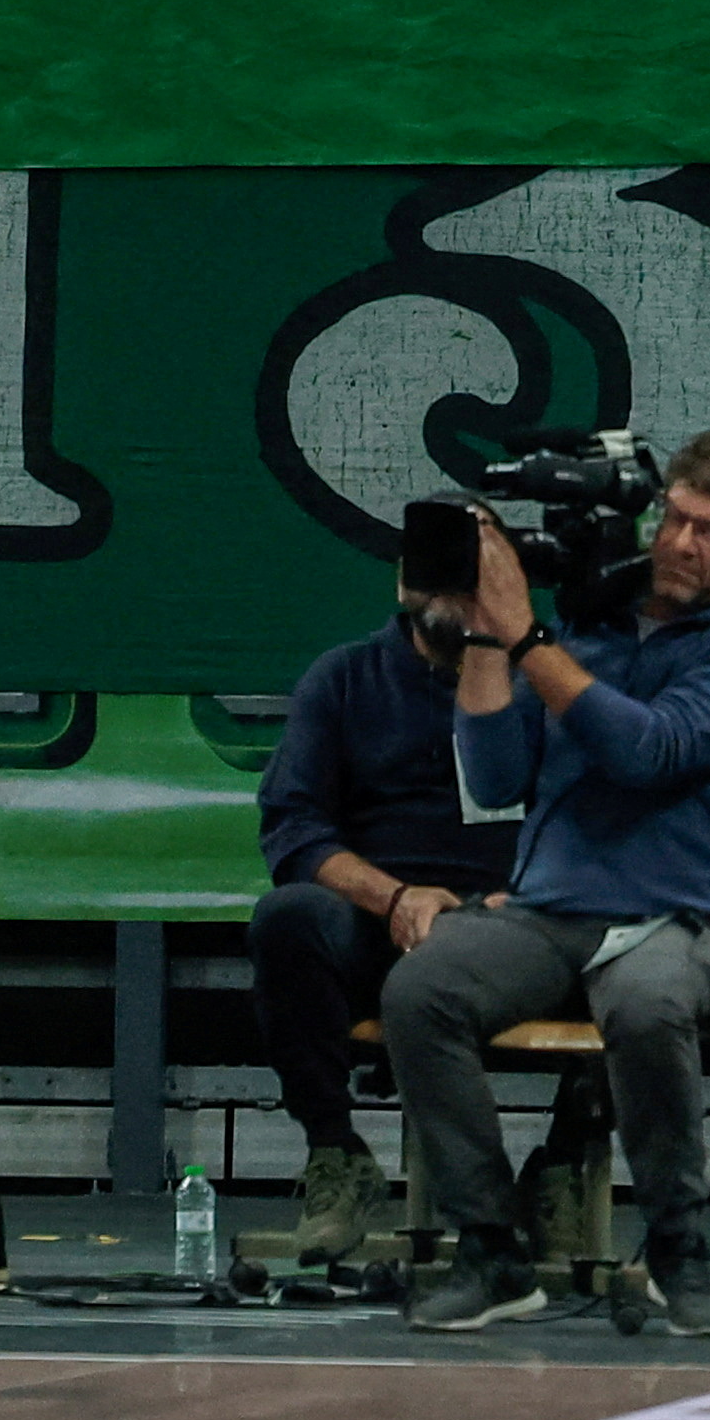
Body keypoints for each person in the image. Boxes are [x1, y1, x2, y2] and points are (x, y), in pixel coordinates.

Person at [387, 421, 710, 1335]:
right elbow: (496, 778)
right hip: (550, 910)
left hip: (682, 918)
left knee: (648, 1004)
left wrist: (528, 634)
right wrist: (487, 635)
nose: (685, 543)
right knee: (421, 990)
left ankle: (677, 1245)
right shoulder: (586, 629)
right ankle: (492, 1247)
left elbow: (645, 752)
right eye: (678, 519)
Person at [248, 527, 524, 1269]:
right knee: (288, 918)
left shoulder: (547, 680)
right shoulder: (344, 677)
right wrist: (396, 898)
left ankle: (564, 1162)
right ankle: (335, 1152)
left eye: (471, 570)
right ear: (403, 581)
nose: (451, 588)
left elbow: (599, 825)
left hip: (519, 934)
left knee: (639, 931)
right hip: (382, 929)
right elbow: (293, 828)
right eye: (434, 568)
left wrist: (518, 905)